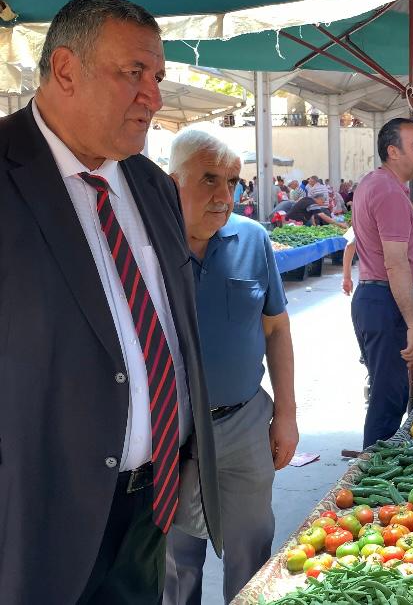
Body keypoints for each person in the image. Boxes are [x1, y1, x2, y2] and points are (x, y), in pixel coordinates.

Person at [0, 0, 222, 603]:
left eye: (158, 78)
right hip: (35, 519)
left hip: (150, 507)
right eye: (134, 74)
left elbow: (173, 330)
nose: (153, 96)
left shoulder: (151, 185)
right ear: (66, 70)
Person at [163, 130, 297, 605]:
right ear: (172, 180)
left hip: (243, 423)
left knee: (252, 551)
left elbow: (277, 329)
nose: (225, 196)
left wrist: (286, 414)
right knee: (176, 564)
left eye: (234, 182)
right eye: (209, 180)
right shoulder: (147, 243)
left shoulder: (253, 238)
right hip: (171, 431)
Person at [351, 117, 413, 447]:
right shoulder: (390, 194)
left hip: (373, 299)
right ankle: (369, 483)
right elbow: (395, 264)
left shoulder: (373, 183)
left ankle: (370, 476)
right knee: (388, 402)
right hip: (385, 302)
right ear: (393, 151)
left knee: (387, 395)